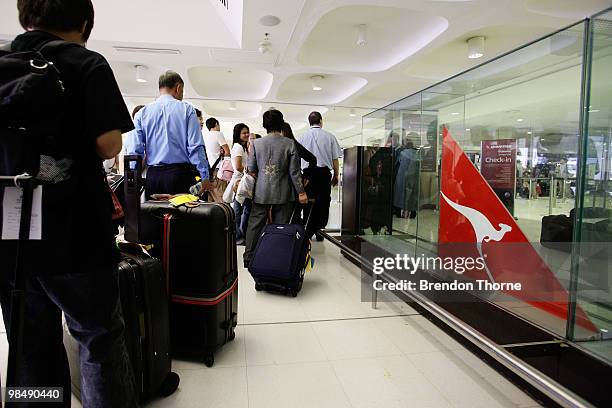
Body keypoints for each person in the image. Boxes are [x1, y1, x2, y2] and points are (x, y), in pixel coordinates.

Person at [0, 1, 138, 406]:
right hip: (75, 232)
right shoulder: (85, 63)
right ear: (84, 22)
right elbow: (108, 144)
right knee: (98, 337)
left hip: (12, 235)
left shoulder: (5, 62)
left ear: (26, 17)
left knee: (29, 343)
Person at [129, 71, 212, 198]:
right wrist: (205, 176)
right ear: (178, 88)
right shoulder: (187, 109)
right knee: (181, 216)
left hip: (153, 176)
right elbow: (195, 147)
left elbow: (135, 151)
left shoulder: (142, 113)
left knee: (154, 215)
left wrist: (133, 178)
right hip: (180, 175)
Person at [243, 110, 308, 268]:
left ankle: (249, 257)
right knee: (281, 226)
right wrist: (301, 192)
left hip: (261, 192)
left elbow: (251, 168)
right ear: (281, 123)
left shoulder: (256, 144)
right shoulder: (289, 143)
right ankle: (278, 257)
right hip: (284, 193)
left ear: (265, 125)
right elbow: (294, 172)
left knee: (255, 224)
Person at [297, 111, 342, 240]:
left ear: (309, 122)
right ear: (321, 121)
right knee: (323, 202)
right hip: (323, 174)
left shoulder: (302, 137)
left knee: (308, 202)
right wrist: (336, 175)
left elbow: (298, 159)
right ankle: (319, 230)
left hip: (308, 175)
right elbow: (335, 159)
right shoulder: (330, 136)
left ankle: (308, 230)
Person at [229, 123, 250, 245]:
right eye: (244, 133)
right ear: (238, 134)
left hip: (243, 181)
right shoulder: (238, 147)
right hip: (239, 181)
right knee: (238, 210)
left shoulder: (243, 147)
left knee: (244, 209)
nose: (246, 134)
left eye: (247, 132)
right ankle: (237, 236)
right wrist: (250, 173)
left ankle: (241, 234)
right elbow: (238, 166)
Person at [203, 117, 230, 203]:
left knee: (211, 196)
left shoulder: (204, 136)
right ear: (216, 124)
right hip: (218, 169)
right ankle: (225, 215)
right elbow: (227, 151)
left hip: (207, 170)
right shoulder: (218, 134)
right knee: (222, 196)